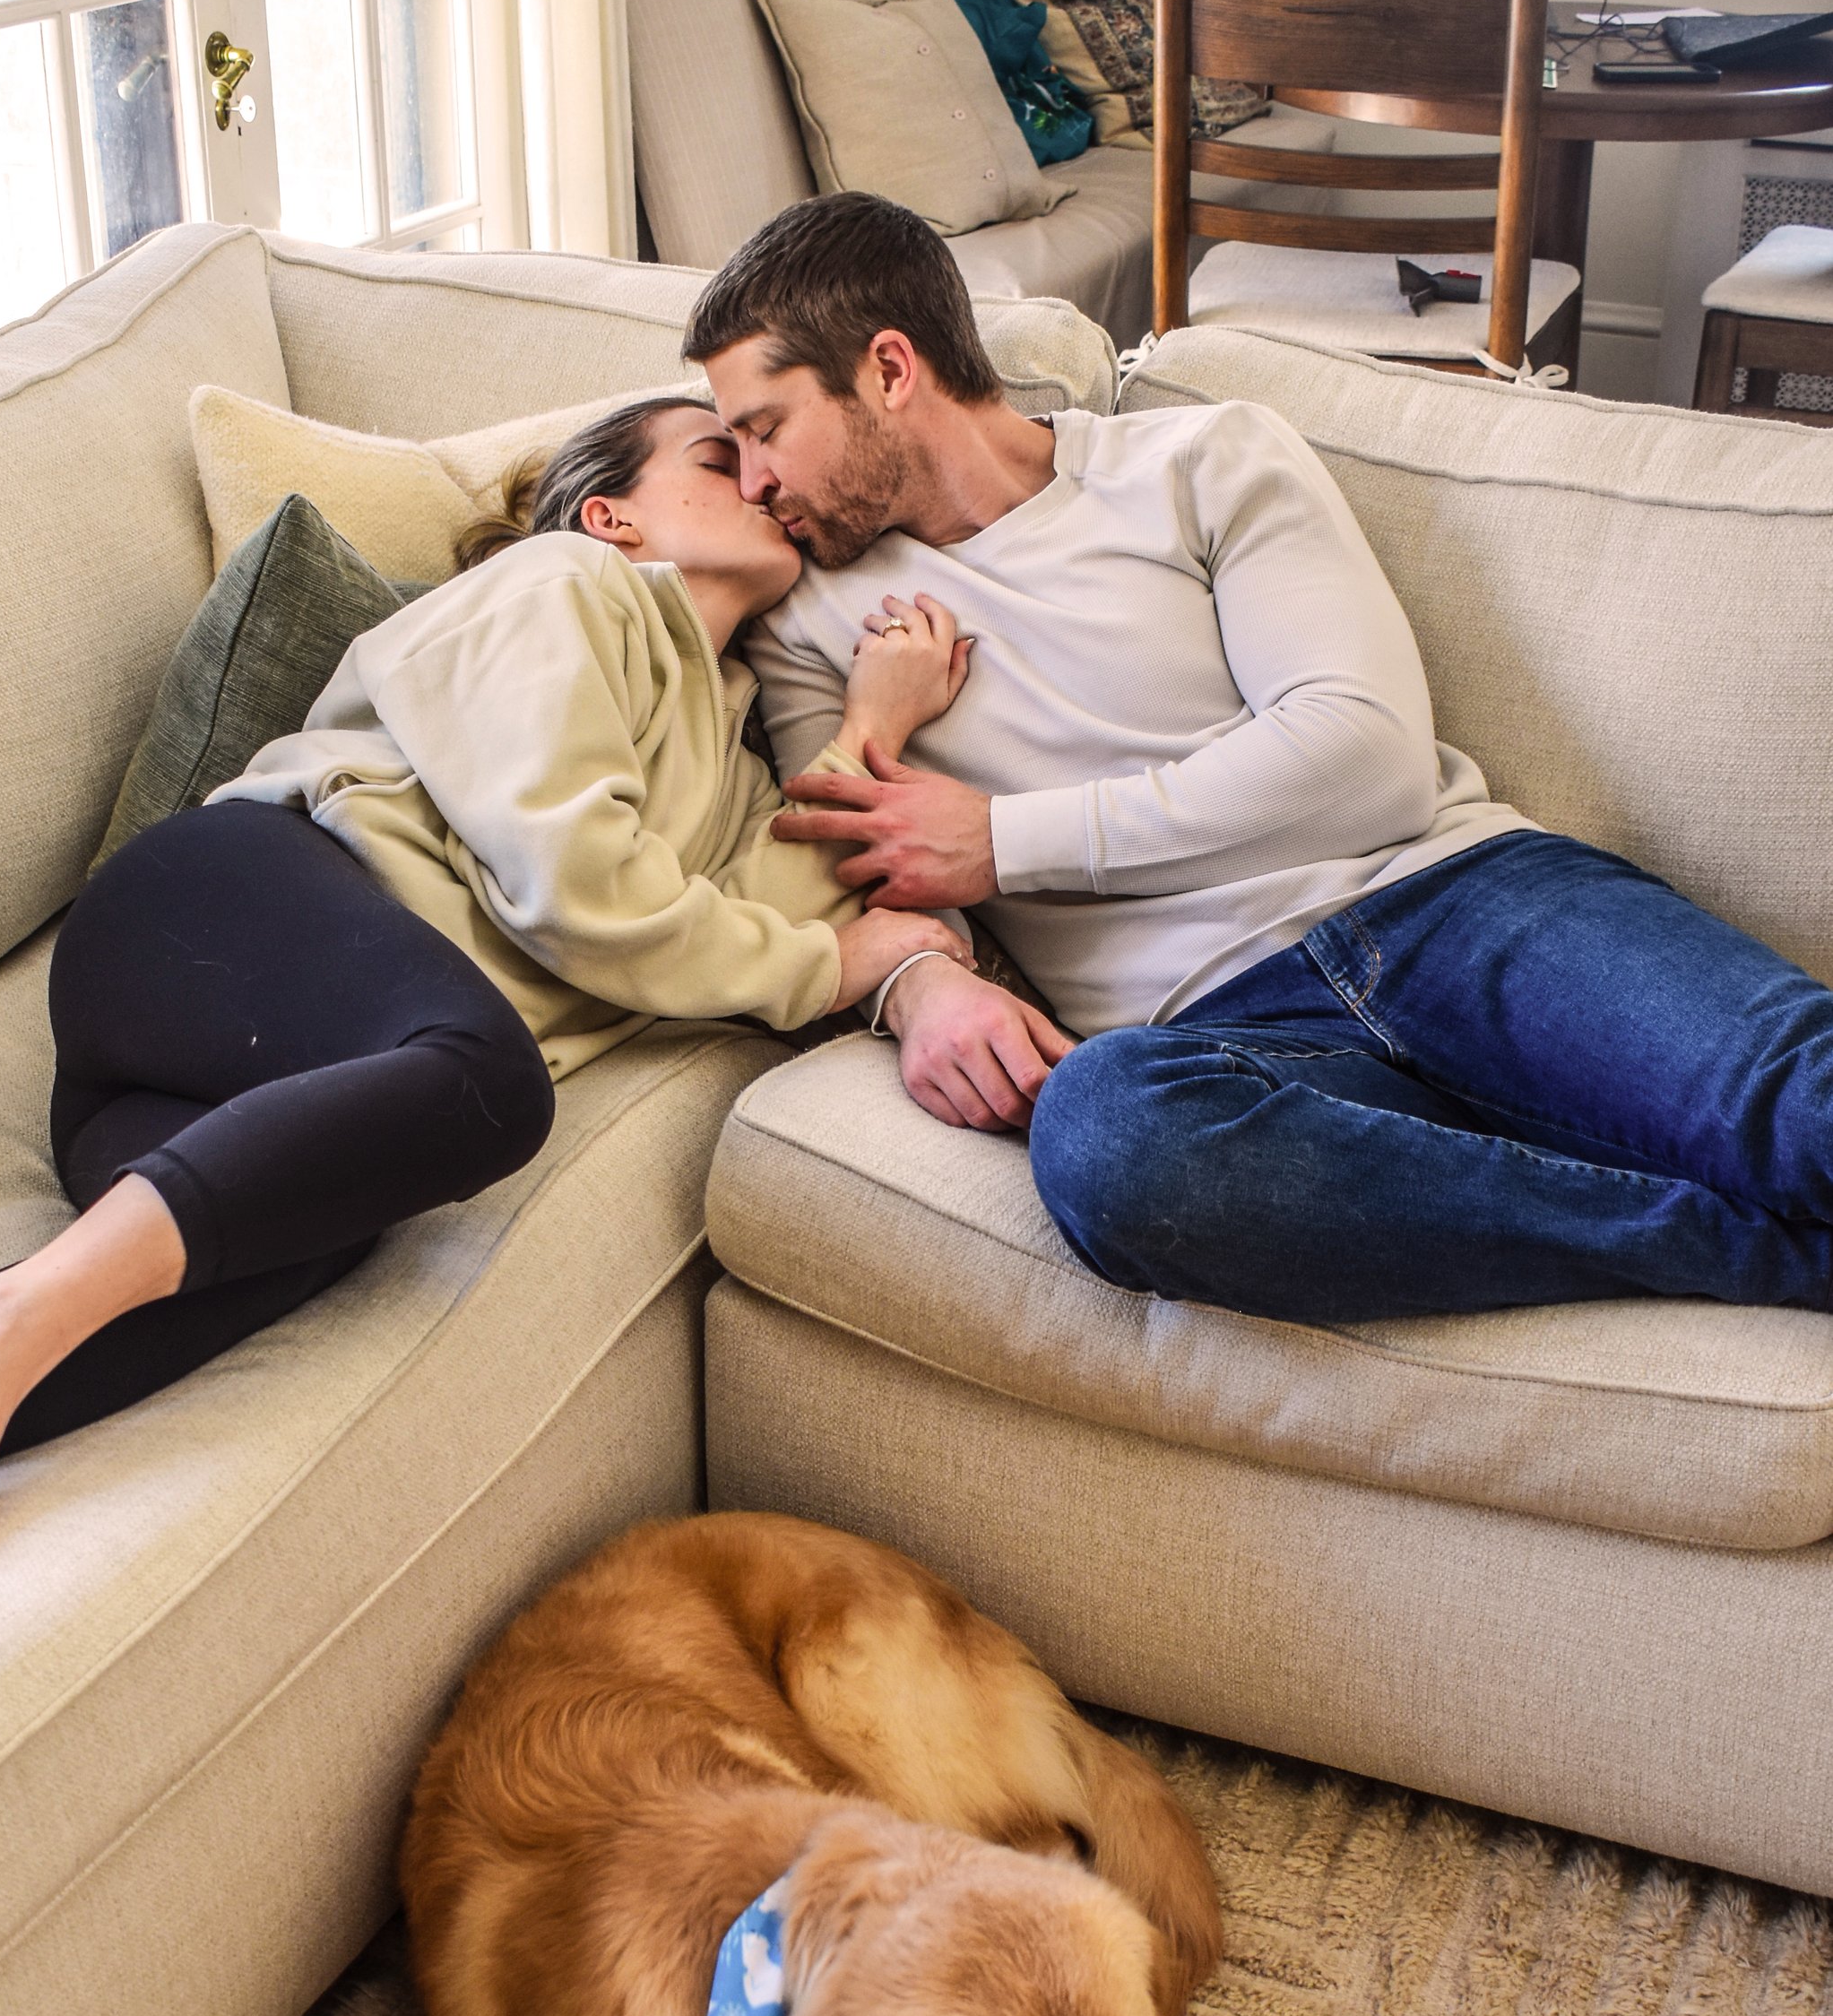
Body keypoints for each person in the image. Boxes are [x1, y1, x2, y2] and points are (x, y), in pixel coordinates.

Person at [0, 398, 964, 1666]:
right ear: (612, 513)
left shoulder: (729, 754)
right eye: (719, 456)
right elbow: (588, 890)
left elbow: (766, 914)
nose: (765, 478)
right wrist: (834, 957)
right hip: (209, 919)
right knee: (493, 1083)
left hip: (240, 1090)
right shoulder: (566, 590)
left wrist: (864, 730)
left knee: (315, 1228)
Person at [683, 189, 1833, 1329]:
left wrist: (1004, 841)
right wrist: (915, 986)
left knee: (1806, 1111)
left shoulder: (1200, 457)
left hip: (1455, 910)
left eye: (763, 428)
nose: (750, 483)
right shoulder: (808, 619)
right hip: (1224, 1040)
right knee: (1110, 1139)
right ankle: (1750, 1250)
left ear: (890, 370)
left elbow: (1364, 750)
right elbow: (838, 872)